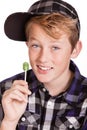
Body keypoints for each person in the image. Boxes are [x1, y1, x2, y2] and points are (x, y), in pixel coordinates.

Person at [0, 0, 87, 129]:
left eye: (55, 47)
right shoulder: (7, 91)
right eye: (35, 45)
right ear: (27, 44)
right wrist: (9, 122)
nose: (43, 58)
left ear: (75, 49)